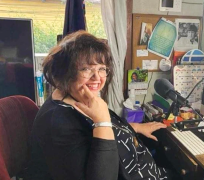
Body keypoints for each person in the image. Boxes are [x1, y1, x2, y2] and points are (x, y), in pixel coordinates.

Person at [25, 31, 168, 180]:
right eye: (85, 69)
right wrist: (103, 122)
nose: (97, 78)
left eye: (101, 68)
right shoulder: (58, 123)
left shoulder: (77, 97)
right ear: (65, 72)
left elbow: (109, 132)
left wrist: (136, 127)